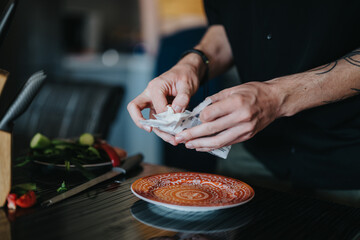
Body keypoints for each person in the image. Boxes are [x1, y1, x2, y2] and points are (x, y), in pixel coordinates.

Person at [128, 0, 360, 206]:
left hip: (348, 158)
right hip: (253, 152)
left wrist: (277, 96)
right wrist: (192, 63)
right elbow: (227, 27)